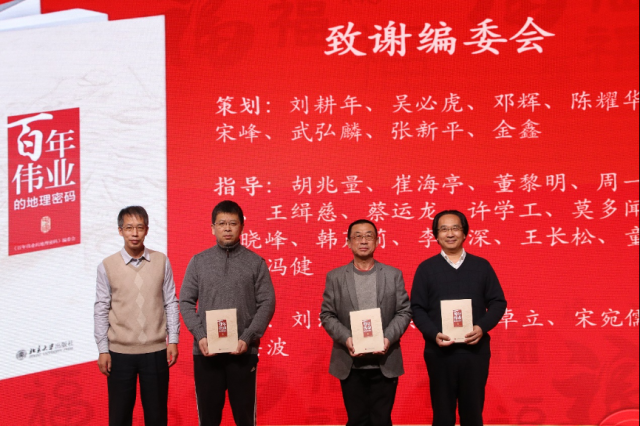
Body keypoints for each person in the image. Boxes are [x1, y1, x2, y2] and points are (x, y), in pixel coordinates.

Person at [180, 200, 276, 426]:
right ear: (212, 228)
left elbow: (267, 302)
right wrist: (200, 335)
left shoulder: (256, 263)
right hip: (206, 352)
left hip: (243, 351)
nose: (227, 228)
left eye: (233, 223)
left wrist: (247, 336)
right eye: (221, 223)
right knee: (208, 418)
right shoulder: (198, 262)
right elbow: (185, 301)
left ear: (242, 227)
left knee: (245, 418)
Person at [411, 210, 507, 426]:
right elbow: (416, 308)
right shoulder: (426, 269)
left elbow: (498, 302)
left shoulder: (481, 266)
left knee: (472, 415)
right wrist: (433, 334)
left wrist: (481, 327)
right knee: (442, 416)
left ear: (465, 233)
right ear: (436, 235)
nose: (450, 233)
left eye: (455, 228)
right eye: (444, 229)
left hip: (475, 353)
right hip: (439, 353)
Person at [321, 219, 412, 426]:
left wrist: (387, 338)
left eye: (369, 236)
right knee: (356, 420)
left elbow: (404, 311)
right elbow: (327, 315)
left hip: (385, 361)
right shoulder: (335, 277)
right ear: (348, 242)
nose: (364, 241)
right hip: (350, 362)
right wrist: (347, 339)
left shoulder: (393, 274)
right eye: (358, 236)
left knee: (382, 420)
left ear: (377, 241)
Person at [94, 206, 180, 426]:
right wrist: (103, 349)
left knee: (157, 417)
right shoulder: (106, 266)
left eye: (139, 228)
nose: (134, 233)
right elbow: (101, 309)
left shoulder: (161, 261)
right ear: (120, 231)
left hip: (156, 351)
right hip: (119, 354)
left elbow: (171, 302)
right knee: (119, 417)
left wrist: (173, 340)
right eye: (129, 228)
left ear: (147, 230)